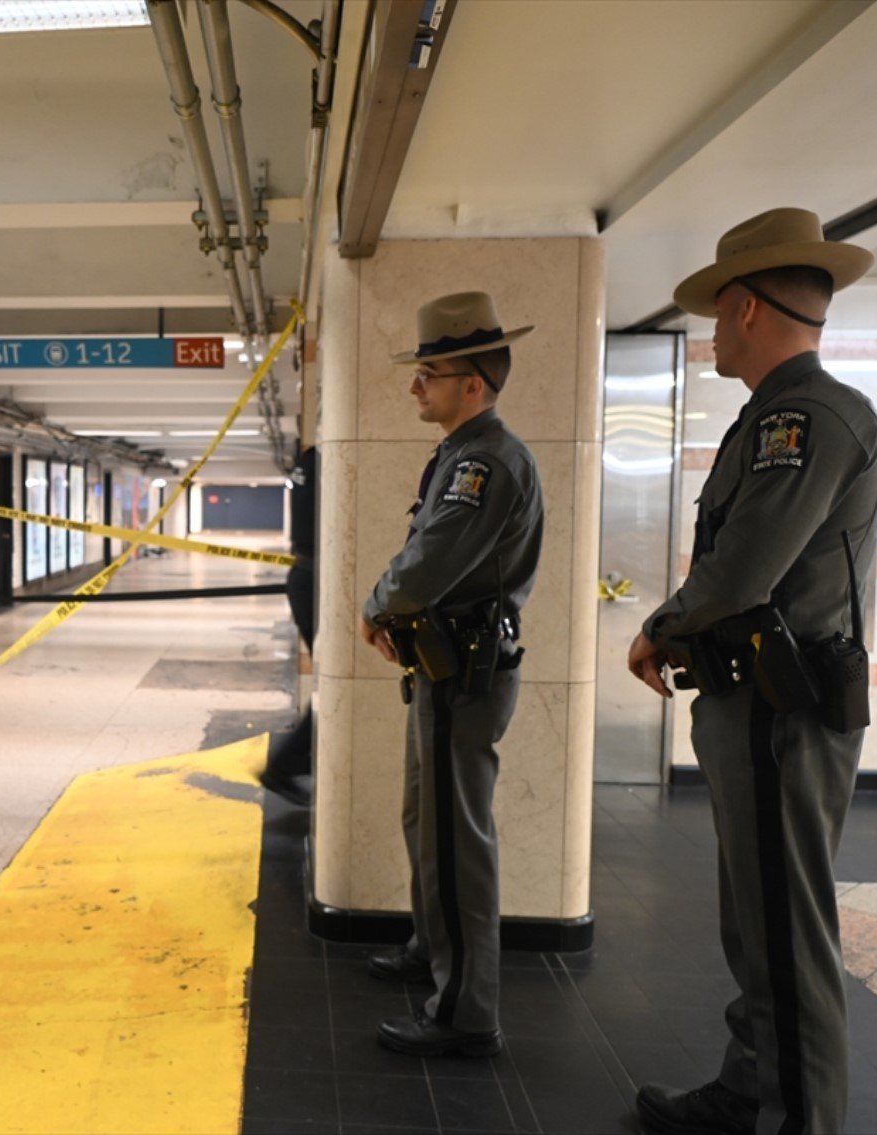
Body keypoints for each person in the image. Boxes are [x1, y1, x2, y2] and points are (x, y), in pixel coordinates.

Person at [626, 208, 877, 1135]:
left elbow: (743, 567)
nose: (710, 331)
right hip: (757, 704)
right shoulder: (778, 416)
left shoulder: (808, 418)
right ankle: (753, 1088)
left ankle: (798, 1117)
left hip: (786, 709)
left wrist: (660, 625)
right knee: (758, 925)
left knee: (786, 933)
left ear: (741, 309)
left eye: (714, 314)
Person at [357, 292, 543, 1057]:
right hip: (445, 667)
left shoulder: (485, 462)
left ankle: (466, 1012)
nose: (414, 388)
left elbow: (430, 561)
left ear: (473, 382)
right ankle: (434, 950)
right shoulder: (464, 455)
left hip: (464, 672)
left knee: (457, 836)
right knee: (425, 818)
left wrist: (375, 604)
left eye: (428, 373)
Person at [259, 442, 316, 806]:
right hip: (313, 580)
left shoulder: (309, 462)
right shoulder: (323, 461)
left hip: (305, 576)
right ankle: (286, 764)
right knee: (334, 684)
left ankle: (291, 762)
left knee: (330, 682)